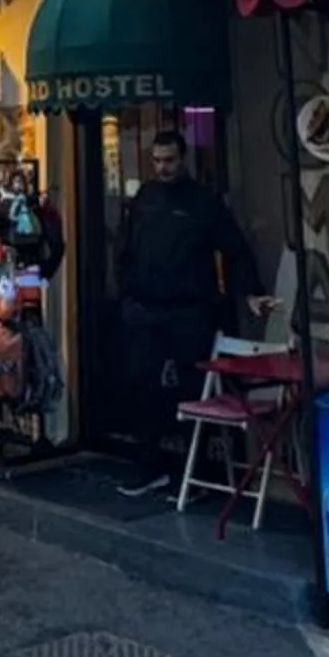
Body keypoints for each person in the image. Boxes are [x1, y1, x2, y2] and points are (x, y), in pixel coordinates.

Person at [112, 128, 265, 469]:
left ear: (182, 159)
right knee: (142, 384)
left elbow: (234, 246)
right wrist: (125, 291)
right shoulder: (145, 198)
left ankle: (195, 467)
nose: (162, 167)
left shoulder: (202, 202)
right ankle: (148, 463)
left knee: (193, 387)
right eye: (157, 161)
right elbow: (126, 247)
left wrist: (251, 290)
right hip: (145, 307)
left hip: (188, 309)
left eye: (169, 160)